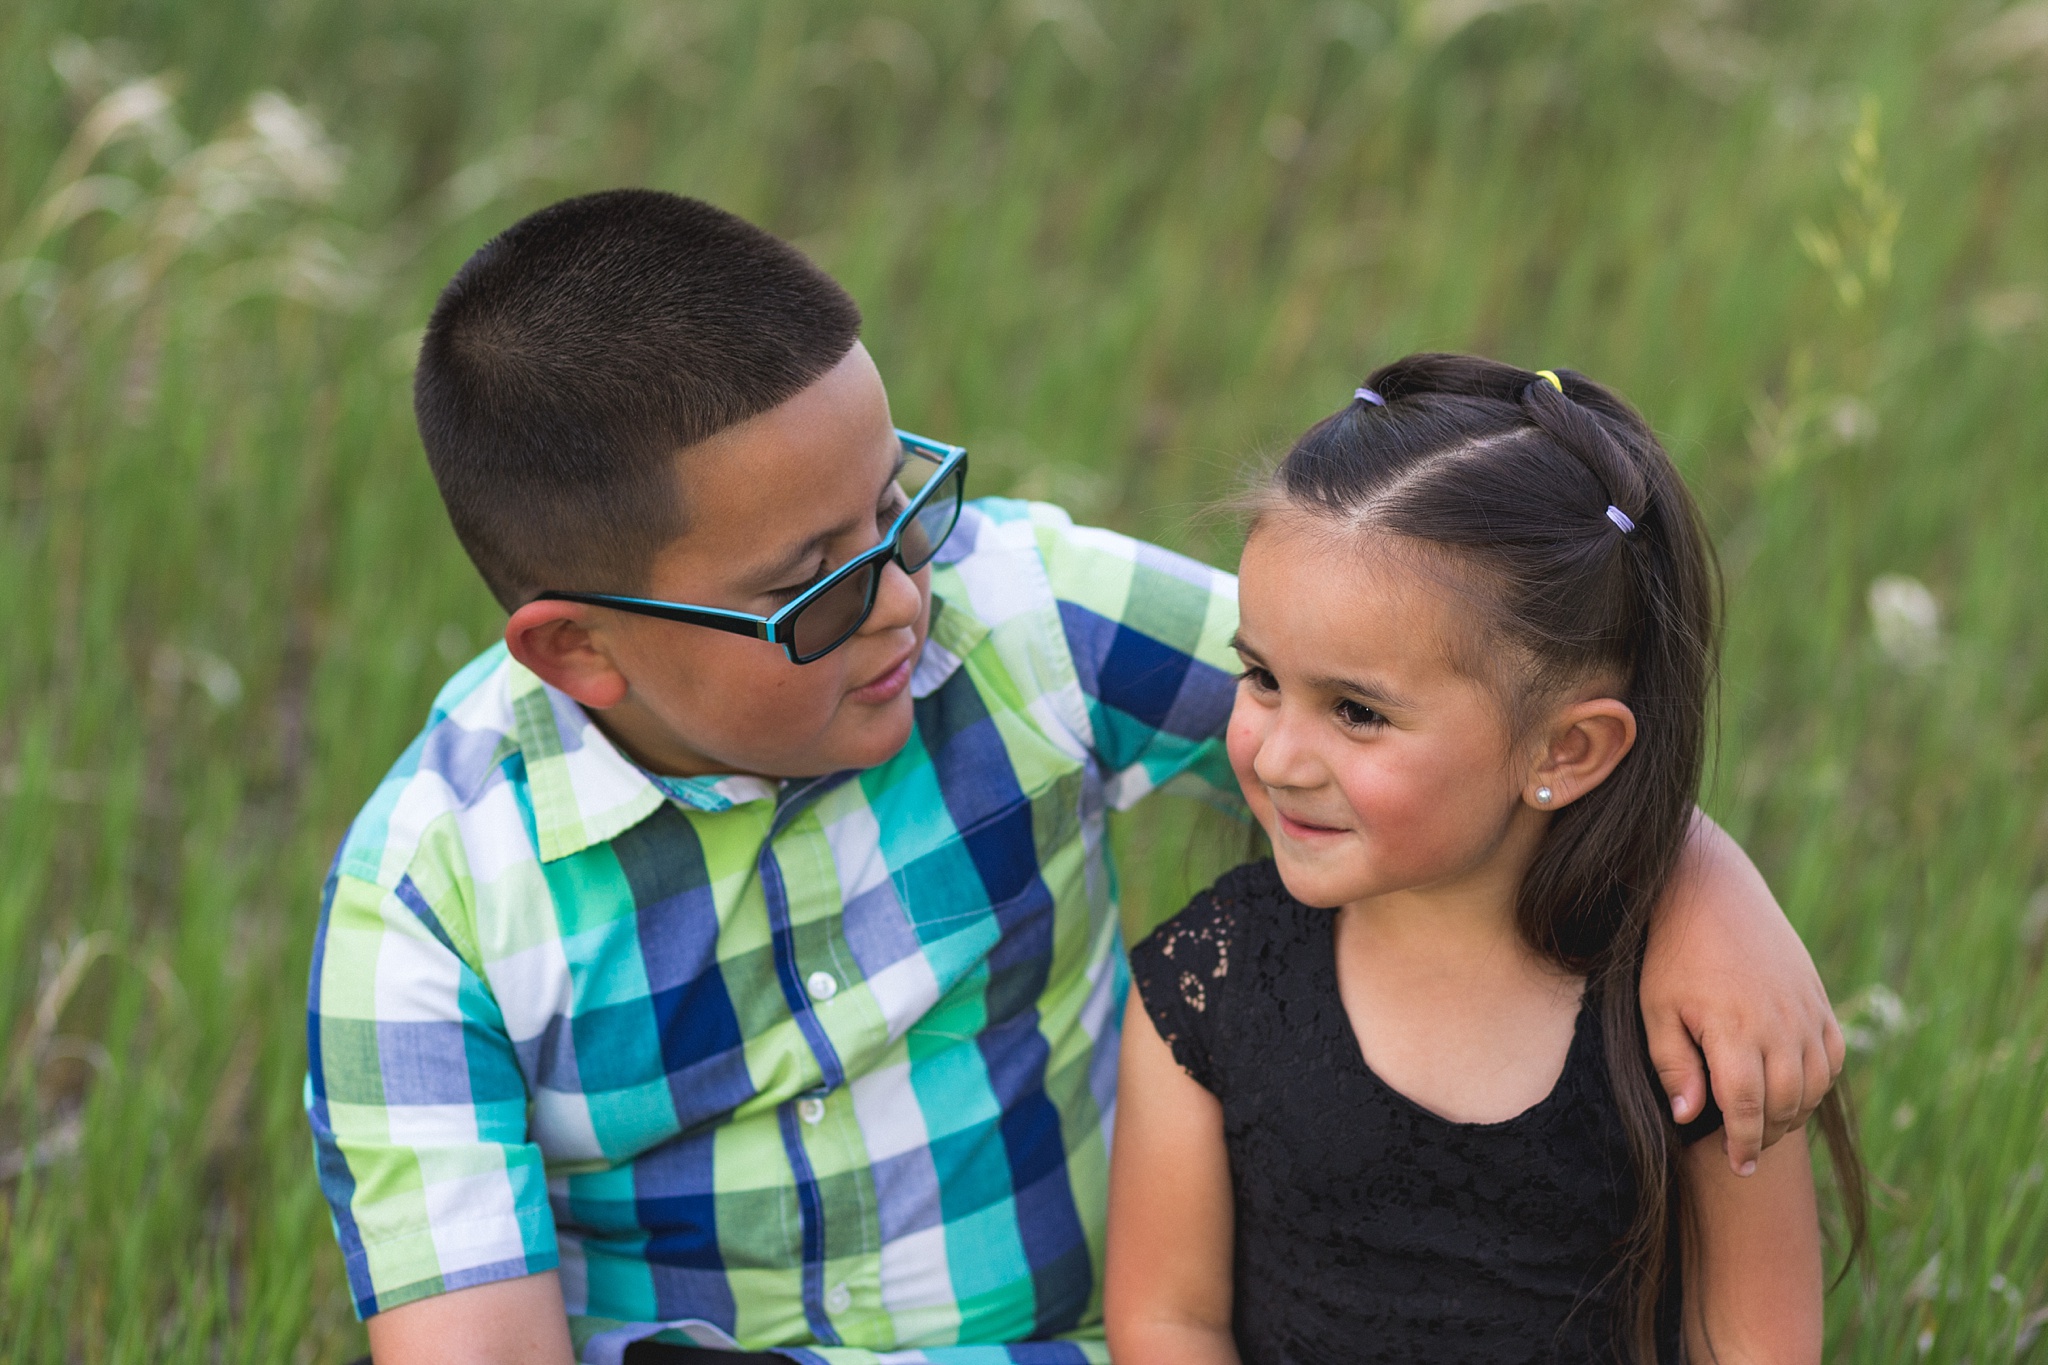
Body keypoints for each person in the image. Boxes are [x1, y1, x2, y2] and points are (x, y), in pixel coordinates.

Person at [306, 196, 1845, 1365]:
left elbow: (1435, 720)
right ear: (579, 650)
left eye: (897, 502)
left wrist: (1701, 874)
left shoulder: (1018, 611)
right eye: (814, 584)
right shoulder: (429, 908)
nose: (907, 596)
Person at [1105, 356, 1867, 1365]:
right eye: (1260, 678)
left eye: (1357, 712)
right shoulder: (1211, 980)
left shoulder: (1694, 1013)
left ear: (1564, 751)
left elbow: (1754, 1344)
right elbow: (1168, 1320)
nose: (1277, 756)